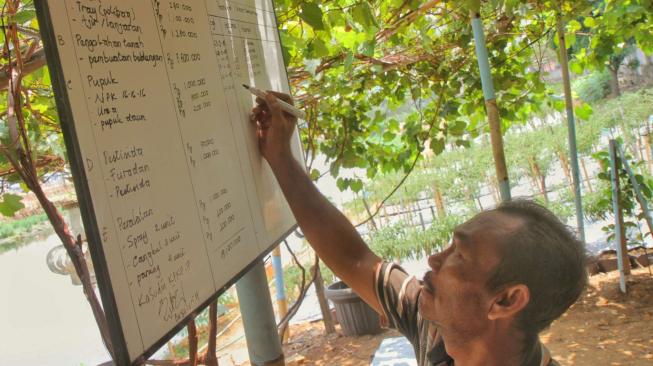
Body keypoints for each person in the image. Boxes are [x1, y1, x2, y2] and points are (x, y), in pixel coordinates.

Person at [250, 92, 587, 366]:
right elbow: (354, 259)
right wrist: (279, 156)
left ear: (505, 300)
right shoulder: (437, 326)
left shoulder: (445, 320)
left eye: (459, 254)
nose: (433, 259)